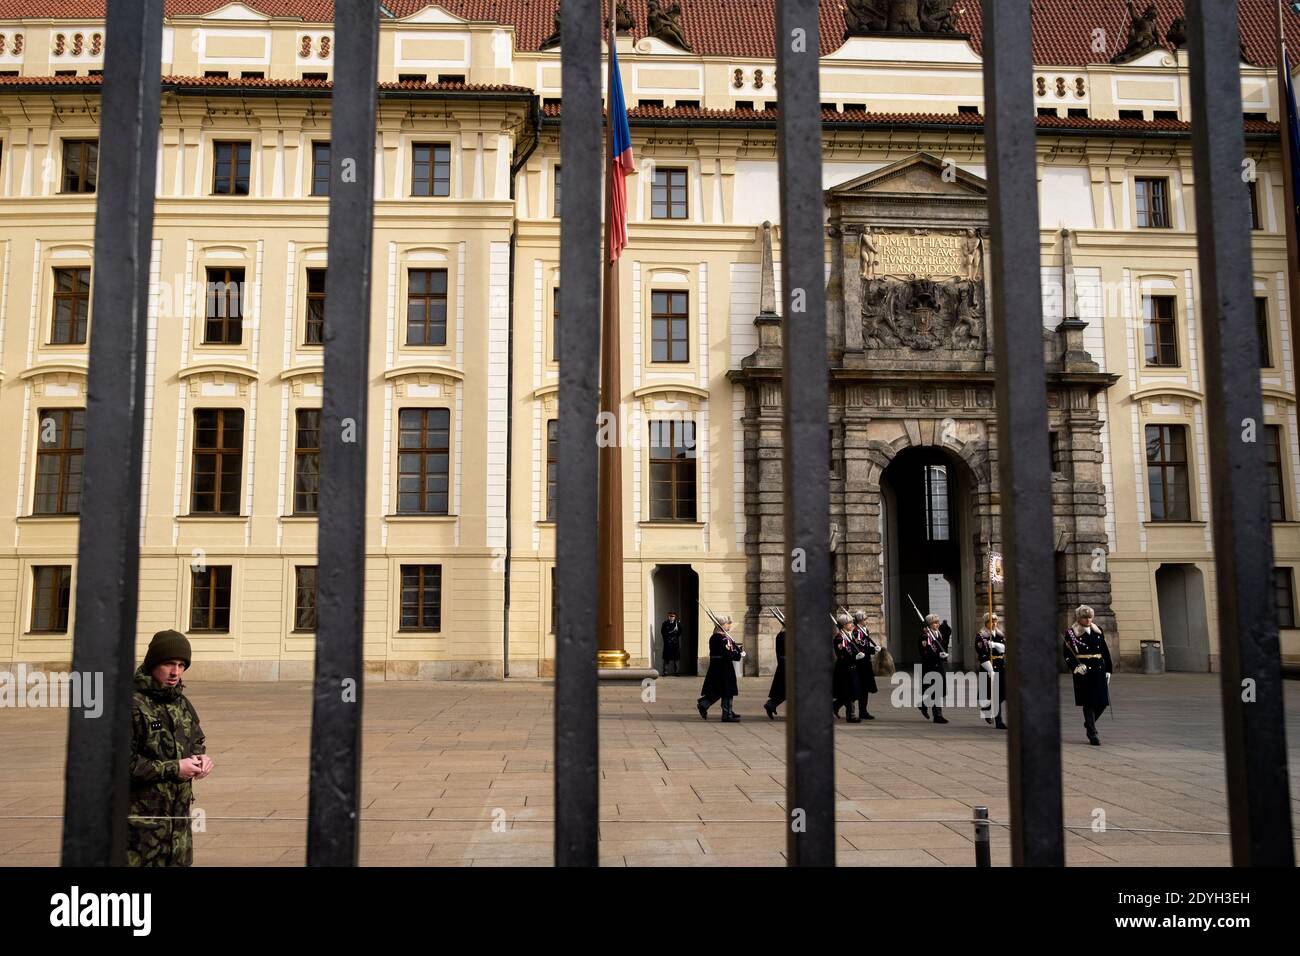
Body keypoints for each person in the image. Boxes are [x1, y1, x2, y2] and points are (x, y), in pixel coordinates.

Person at [128, 629, 211, 867]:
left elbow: (196, 740)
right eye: (168, 664)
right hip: (139, 834)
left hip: (178, 831)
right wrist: (174, 769)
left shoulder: (181, 703)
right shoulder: (131, 704)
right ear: (153, 663)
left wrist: (201, 760)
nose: (175, 672)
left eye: (181, 665)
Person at [1063, 605, 1112, 745]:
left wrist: (1108, 670)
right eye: (1085, 617)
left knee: (1102, 702)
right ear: (1079, 619)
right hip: (1084, 670)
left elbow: (1105, 651)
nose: (1088, 620)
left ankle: (1089, 723)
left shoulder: (1098, 631)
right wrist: (1075, 666)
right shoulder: (1072, 633)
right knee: (1088, 702)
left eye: (1090, 617)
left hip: (1098, 669)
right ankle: (1092, 733)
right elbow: (1067, 653)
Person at [698, 614, 743, 722]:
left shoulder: (722, 637)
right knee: (727, 690)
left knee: (721, 689)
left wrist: (737, 650)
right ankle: (726, 714)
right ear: (721, 625)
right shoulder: (720, 638)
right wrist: (737, 655)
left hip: (722, 666)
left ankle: (706, 704)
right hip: (722, 667)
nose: (730, 625)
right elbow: (728, 653)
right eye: (728, 623)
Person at [975, 612, 1007, 729]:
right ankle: (999, 721)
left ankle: (987, 708)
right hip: (989, 666)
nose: (993, 623)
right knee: (995, 694)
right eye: (991, 621)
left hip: (1001, 665)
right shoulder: (981, 636)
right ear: (986, 623)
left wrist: (995, 645)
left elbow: (1005, 648)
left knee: (1005, 692)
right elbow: (982, 656)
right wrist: (990, 670)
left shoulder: (999, 634)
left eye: (995, 621)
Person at [919, 613, 950, 724]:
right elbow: (924, 652)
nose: (937, 625)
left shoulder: (939, 634)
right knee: (933, 689)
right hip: (930, 666)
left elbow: (942, 646)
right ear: (929, 624)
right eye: (934, 623)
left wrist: (943, 655)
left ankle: (923, 705)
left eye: (937, 622)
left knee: (939, 688)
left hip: (939, 665)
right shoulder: (925, 636)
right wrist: (937, 655)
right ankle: (937, 715)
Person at [832, 613, 862, 723]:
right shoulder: (840, 638)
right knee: (849, 693)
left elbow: (855, 647)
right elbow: (842, 654)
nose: (852, 625)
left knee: (850, 692)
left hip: (852, 667)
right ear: (843, 625)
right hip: (844, 668)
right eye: (849, 623)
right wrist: (854, 657)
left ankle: (834, 706)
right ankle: (851, 715)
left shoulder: (849, 636)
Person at [851, 610, 878, 720]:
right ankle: (839, 705)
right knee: (860, 688)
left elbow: (865, 644)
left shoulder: (864, 630)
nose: (866, 621)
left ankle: (863, 710)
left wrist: (873, 649)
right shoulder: (856, 632)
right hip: (860, 662)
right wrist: (872, 650)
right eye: (865, 619)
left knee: (865, 688)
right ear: (860, 621)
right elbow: (860, 647)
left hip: (866, 661)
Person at [763, 625, 786, 719]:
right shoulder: (786, 636)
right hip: (788, 665)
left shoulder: (781, 635)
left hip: (784, 664)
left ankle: (771, 704)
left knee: (785, 689)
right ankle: (771, 704)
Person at [661, 611, 682, 676]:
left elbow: (680, 631)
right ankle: (665, 672)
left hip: (675, 643)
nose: (671, 617)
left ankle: (677, 672)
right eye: (670, 616)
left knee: (676, 659)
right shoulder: (665, 623)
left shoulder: (677, 624)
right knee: (666, 658)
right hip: (668, 643)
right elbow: (662, 632)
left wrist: (675, 637)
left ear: (675, 617)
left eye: (672, 616)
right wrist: (667, 639)